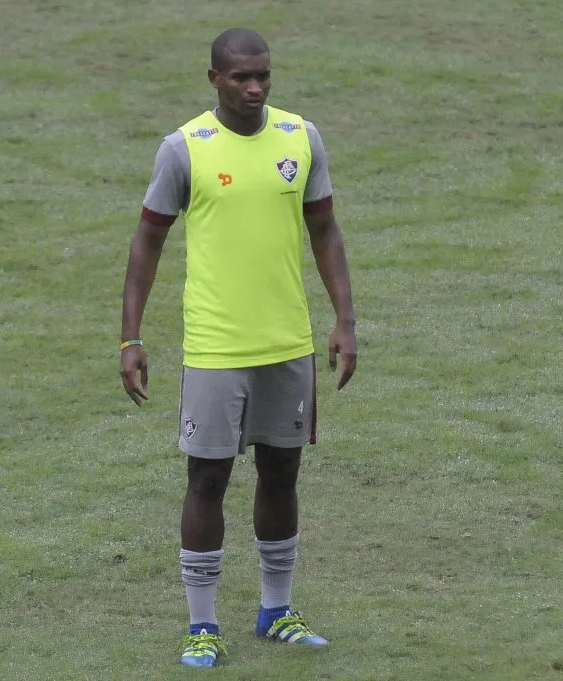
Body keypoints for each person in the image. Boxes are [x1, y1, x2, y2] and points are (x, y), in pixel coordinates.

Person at [119, 27, 357, 668]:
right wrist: (132, 336)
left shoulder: (299, 139)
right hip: (216, 349)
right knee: (208, 479)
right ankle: (202, 625)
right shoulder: (185, 148)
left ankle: (275, 611)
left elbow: (326, 228)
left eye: (263, 75)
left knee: (282, 474)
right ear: (215, 79)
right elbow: (147, 242)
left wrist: (344, 321)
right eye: (241, 77)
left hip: (287, 344)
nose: (254, 87)